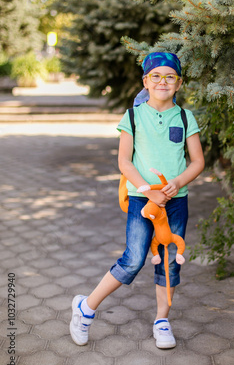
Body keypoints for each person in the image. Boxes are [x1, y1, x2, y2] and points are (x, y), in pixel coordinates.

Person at [70, 52, 205, 349]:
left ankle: (161, 321)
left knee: (169, 262)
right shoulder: (132, 116)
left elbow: (197, 161)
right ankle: (85, 308)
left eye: (170, 76)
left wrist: (177, 183)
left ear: (179, 83)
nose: (163, 81)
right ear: (145, 81)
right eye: (156, 76)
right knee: (133, 259)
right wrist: (148, 189)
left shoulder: (185, 117)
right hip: (141, 200)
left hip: (176, 201)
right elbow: (124, 162)